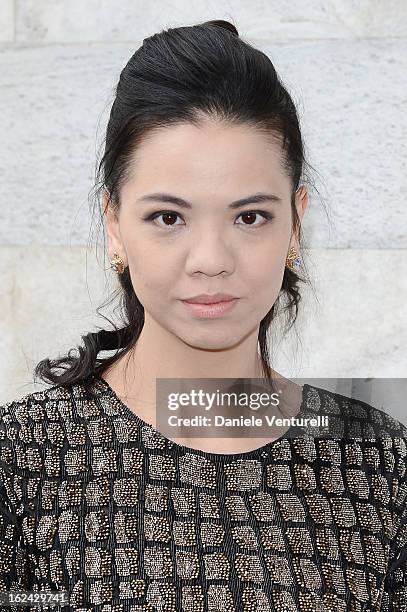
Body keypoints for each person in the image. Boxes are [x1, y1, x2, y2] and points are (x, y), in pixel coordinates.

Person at [1, 18, 406, 612]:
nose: (211, 261)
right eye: (168, 217)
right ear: (114, 224)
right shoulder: (22, 461)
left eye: (250, 217)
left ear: (296, 222)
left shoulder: (379, 463)